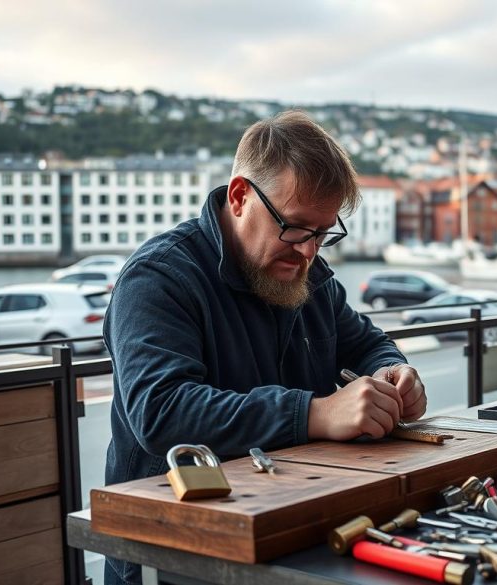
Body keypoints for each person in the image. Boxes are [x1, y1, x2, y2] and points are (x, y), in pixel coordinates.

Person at [103, 110, 426, 584]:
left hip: (284, 521)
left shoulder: (307, 274)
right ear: (239, 197)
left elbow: (366, 342)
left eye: (323, 233)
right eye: (295, 228)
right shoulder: (157, 280)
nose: (309, 251)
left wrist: (393, 373)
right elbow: (161, 411)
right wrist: (316, 413)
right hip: (173, 548)